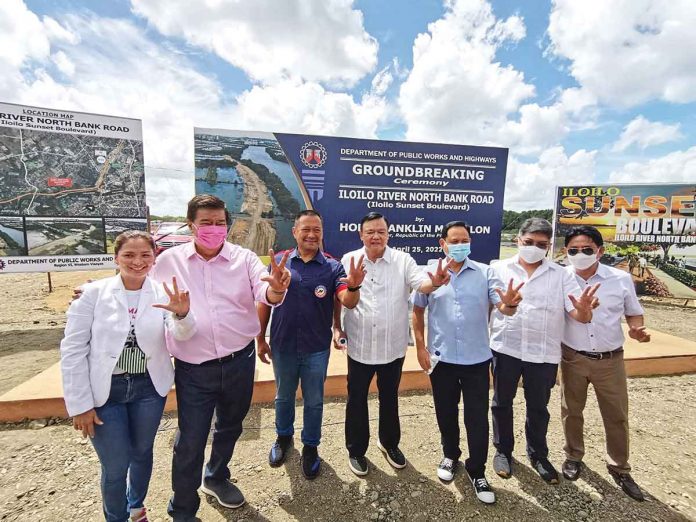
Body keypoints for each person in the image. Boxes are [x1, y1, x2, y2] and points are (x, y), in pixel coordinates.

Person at [152, 195, 290, 520]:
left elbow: (265, 290)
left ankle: (215, 476)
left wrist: (278, 289)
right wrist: (92, 291)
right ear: (191, 225)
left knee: (230, 427)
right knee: (190, 440)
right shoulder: (168, 262)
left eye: (220, 223)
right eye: (206, 223)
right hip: (194, 370)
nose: (214, 229)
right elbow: (139, 286)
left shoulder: (244, 259)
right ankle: (182, 509)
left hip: (240, 362)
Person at [61, 231, 195, 522]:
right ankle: (116, 517)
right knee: (115, 465)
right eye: (129, 255)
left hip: (148, 387)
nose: (137, 261)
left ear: (154, 257)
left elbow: (180, 337)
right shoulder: (92, 294)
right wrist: (80, 404)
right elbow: (72, 350)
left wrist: (183, 315)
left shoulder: (163, 293)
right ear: (116, 258)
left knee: (142, 451)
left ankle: (136, 506)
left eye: (145, 255)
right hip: (106, 390)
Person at [412, 221, 521, 505]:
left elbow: (502, 306)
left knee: (476, 418)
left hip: (476, 361)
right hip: (441, 360)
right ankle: (450, 455)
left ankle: (477, 470)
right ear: (443, 243)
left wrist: (510, 304)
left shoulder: (486, 273)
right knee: (445, 413)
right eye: (455, 240)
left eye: (466, 239)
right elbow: (417, 309)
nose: (461, 244)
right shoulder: (430, 274)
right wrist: (420, 347)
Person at [333, 212, 449, 477]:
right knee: (357, 399)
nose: (376, 236)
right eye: (370, 232)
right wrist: (338, 322)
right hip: (360, 346)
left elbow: (422, 284)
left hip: (392, 348)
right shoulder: (348, 260)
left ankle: (389, 444)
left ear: (388, 234)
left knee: (389, 398)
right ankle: (356, 450)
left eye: (381, 232)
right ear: (361, 234)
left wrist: (437, 282)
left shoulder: (403, 260)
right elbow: (341, 299)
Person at [256, 210, 365, 479]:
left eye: (317, 229)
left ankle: (311, 446)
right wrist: (260, 338)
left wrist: (353, 288)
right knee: (283, 396)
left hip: (316, 348)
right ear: (295, 232)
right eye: (306, 229)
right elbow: (265, 301)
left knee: (314, 401)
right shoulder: (280, 262)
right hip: (283, 345)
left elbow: (346, 300)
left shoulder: (332, 266)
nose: (312, 234)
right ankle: (283, 437)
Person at [488, 218, 598, 484]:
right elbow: (498, 307)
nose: (534, 248)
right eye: (529, 243)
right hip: (506, 348)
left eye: (541, 245)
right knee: (502, 402)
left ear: (549, 247)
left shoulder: (562, 275)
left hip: (543, 354)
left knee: (538, 407)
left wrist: (584, 312)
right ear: (518, 241)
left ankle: (538, 455)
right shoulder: (498, 268)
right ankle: (503, 451)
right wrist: (508, 307)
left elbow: (577, 312)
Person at [561, 225, 650, 501]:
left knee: (616, 415)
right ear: (566, 252)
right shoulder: (561, 278)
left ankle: (620, 466)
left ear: (600, 251)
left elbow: (634, 314)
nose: (580, 254)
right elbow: (574, 315)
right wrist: (583, 311)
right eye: (573, 250)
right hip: (573, 357)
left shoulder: (620, 279)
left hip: (610, 360)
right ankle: (573, 456)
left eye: (587, 249)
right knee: (571, 411)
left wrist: (637, 329)